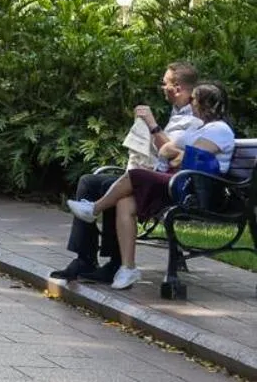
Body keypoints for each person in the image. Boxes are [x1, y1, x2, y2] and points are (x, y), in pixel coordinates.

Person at [67, 82, 234, 290]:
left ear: (204, 103)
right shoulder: (199, 127)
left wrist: (175, 153)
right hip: (178, 180)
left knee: (136, 175)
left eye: (193, 99)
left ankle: (94, 209)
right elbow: (167, 150)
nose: (190, 103)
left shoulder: (220, 129)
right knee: (125, 201)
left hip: (194, 188)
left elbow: (190, 158)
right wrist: (174, 153)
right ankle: (128, 268)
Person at [54, 61, 201, 283]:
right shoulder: (176, 112)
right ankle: (84, 259)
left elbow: (173, 153)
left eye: (165, 83)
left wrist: (151, 124)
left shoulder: (196, 118)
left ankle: (115, 262)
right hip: (151, 173)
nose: (162, 88)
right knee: (88, 181)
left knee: (111, 187)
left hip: (170, 183)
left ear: (178, 88)